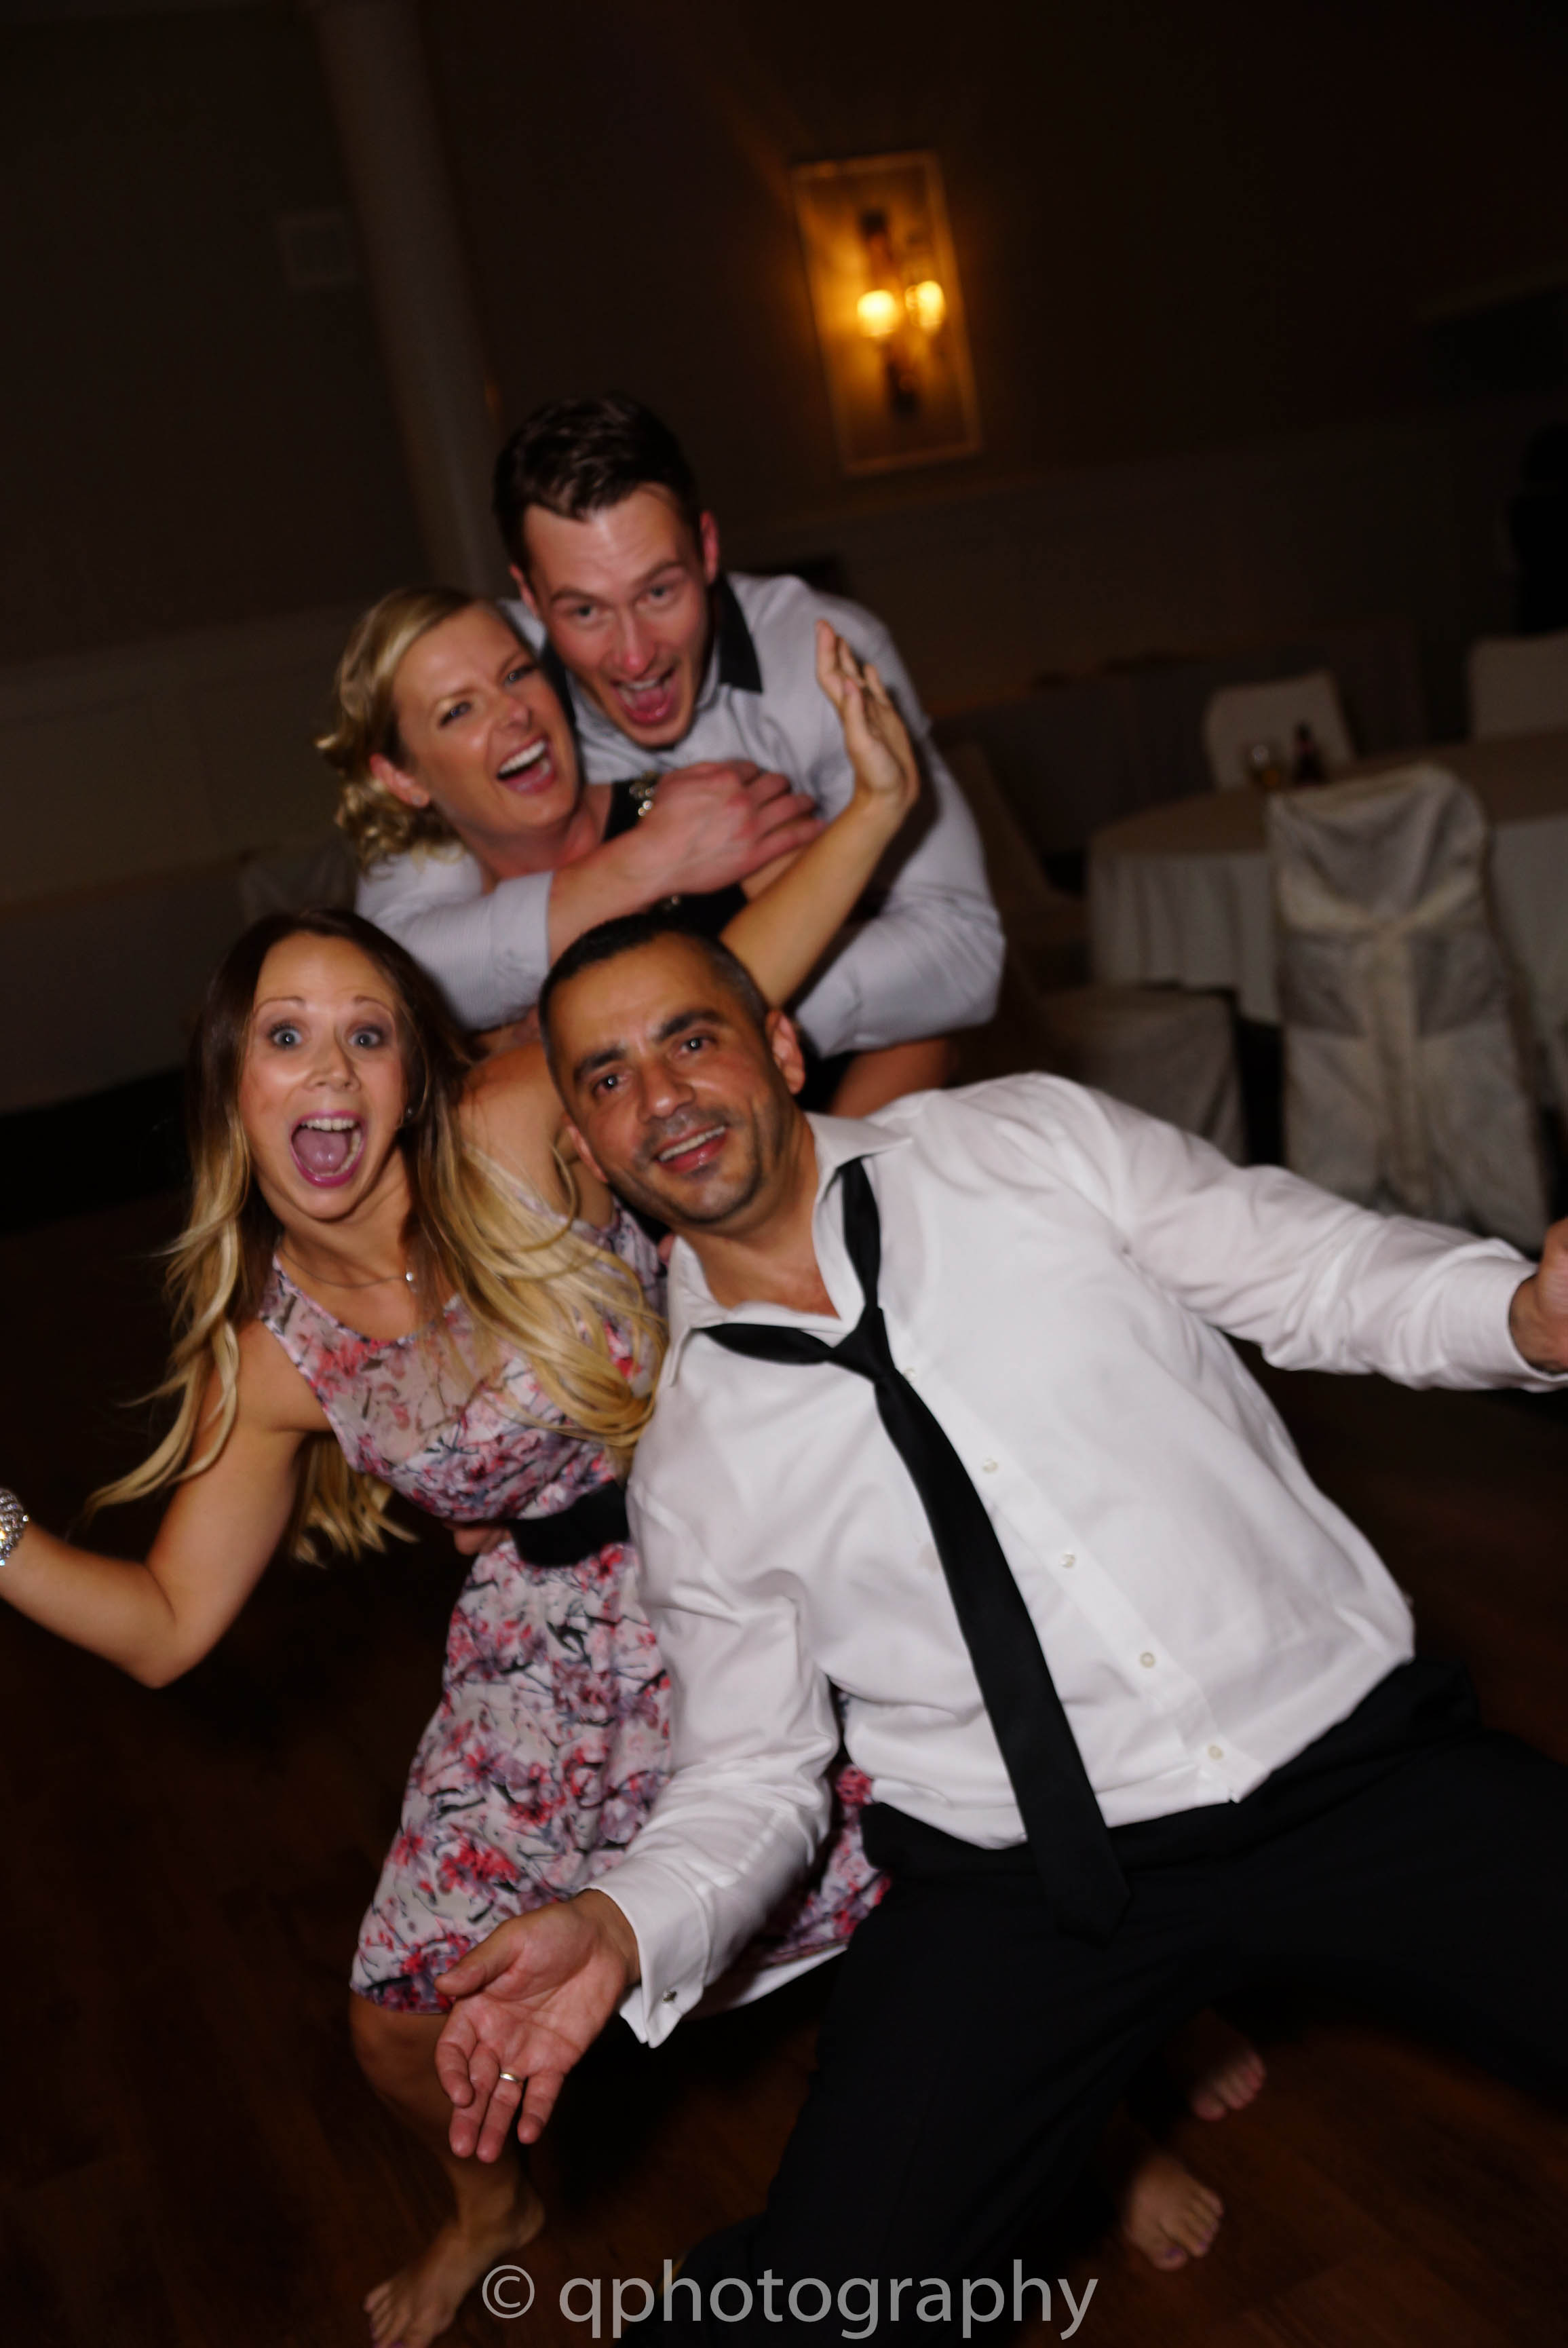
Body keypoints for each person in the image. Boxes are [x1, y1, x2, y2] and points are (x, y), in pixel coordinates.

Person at [429, 915, 1568, 2341]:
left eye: (692, 1037)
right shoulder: (692, 1457)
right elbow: (752, 1772)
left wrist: (1521, 1313)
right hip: (1026, 1878)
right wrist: (618, 1919)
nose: (661, 1096)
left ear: (779, 1046)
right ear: (591, 1150)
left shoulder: (1024, 1144)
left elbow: (1315, 1272)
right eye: (607, 1078)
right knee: (831, 2303)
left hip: (1343, 1758)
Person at [0, 632, 921, 2348]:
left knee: (970, 1849)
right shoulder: (274, 1358)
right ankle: (496, 2208)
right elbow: (168, 1623)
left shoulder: (512, 1129)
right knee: (399, 2017)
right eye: (287, 1037)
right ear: (235, 1093)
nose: (331, 1069)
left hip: (756, 1540)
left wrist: (875, 811)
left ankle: (1114, 2112)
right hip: (546, 1651)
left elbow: (711, 1003)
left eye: (366, 1032)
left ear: (411, 1071)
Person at [357, 394, 1005, 1112]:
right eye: (584, 610)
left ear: (707, 549)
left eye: (659, 591)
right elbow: (395, 970)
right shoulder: (491, 677)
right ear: (530, 597)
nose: (635, 656)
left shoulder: (821, 655)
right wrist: (651, 861)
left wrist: (680, 1036)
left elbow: (961, 954)